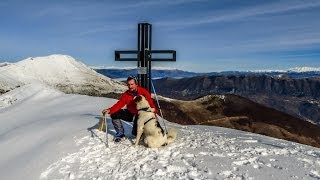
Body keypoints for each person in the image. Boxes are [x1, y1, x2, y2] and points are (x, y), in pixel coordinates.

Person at [102, 76, 157, 142]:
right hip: (130, 113)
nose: (130, 86)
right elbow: (119, 104)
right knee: (114, 113)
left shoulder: (143, 92)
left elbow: (151, 105)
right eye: (128, 84)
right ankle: (120, 134)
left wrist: (154, 116)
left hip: (140, 115)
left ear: (136, 84)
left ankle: (144, 133)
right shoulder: (126, 94)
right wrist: (110, 110)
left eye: (132, 84)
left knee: (135, 133)